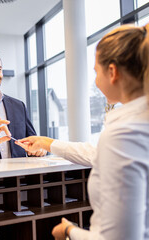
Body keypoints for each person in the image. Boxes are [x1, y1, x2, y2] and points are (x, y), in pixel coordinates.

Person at [16, 24, 149, 240]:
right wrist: (48, 143)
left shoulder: (123, 134)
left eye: (96, 72)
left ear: (113, 72)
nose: (95, 81)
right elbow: (96, 154)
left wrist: (69, 231)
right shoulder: (137, 125)